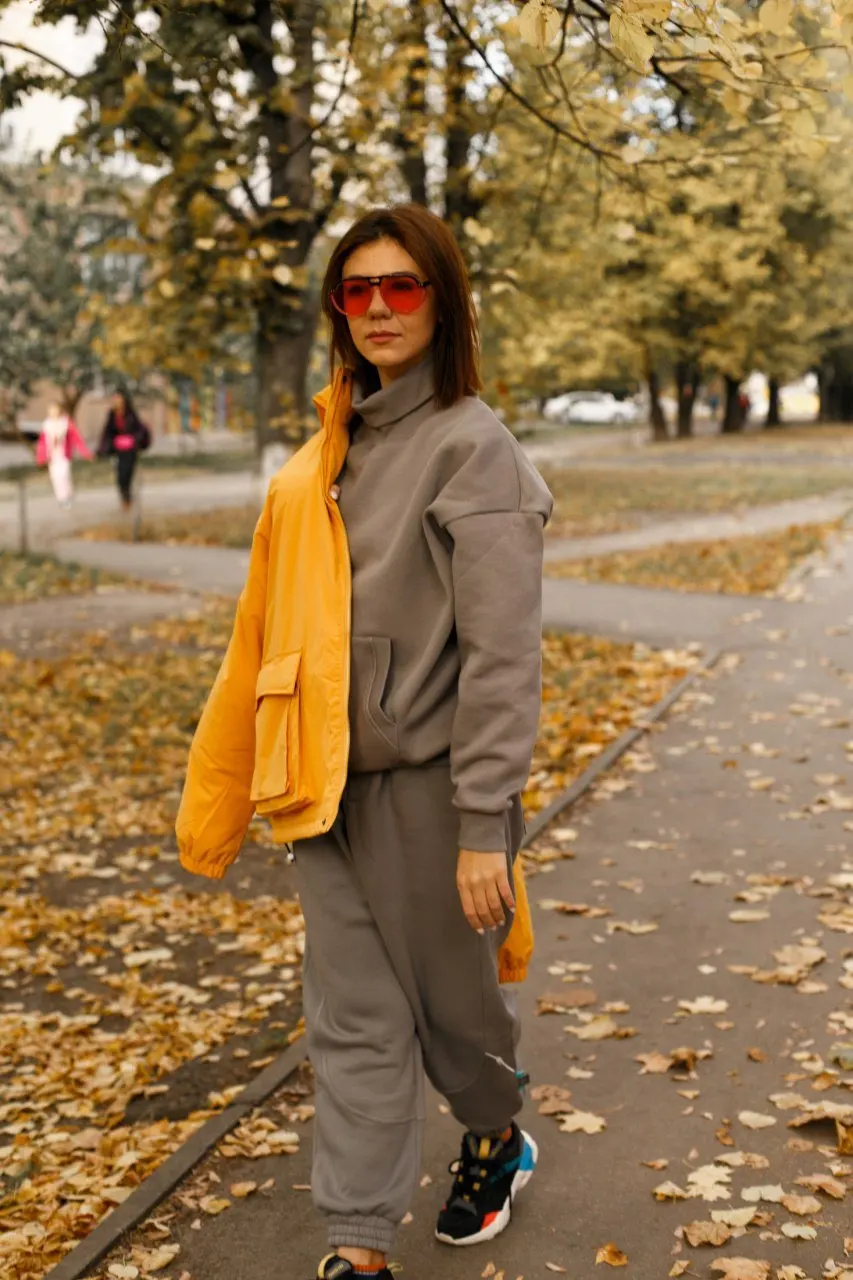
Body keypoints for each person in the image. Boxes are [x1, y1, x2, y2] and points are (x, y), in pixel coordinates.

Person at [175, 204, 553, 1280]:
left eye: (401, 286)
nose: (378, 308)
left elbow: (502, 656)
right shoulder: (321, 459)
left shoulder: (473, 448)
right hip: (322, 786)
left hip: (435, 791)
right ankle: (358, 1242)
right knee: (353, 1020)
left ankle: (495, 1134)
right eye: (356, 290)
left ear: (442, 300)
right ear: (338, 310)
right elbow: (264, 630)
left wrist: (481, 825)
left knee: (457, 1019)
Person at [96, 390, 151, 509]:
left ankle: (129, 496)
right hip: (118, 449)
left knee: (128, 472)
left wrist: (134, 440)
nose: (116, 401)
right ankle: (125, 498)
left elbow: (139, 429)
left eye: (119, 399)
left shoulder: (130, 414)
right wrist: (102, 449)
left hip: (130, 449)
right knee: (121, 474)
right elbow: (107, 432)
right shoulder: (112, 415)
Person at [35, 402, 92, 507]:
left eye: (54, 410)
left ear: (59, 411)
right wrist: (41, 457)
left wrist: (85, 453)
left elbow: (76, 438)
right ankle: (61, 498)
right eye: (51, 410)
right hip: (52, 456)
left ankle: (68, 495)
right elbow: (42, 443)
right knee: (55, 477)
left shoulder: (66, 424)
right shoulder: (47, 425)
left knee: (64, 475)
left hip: (64, 455)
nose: (53, 412)